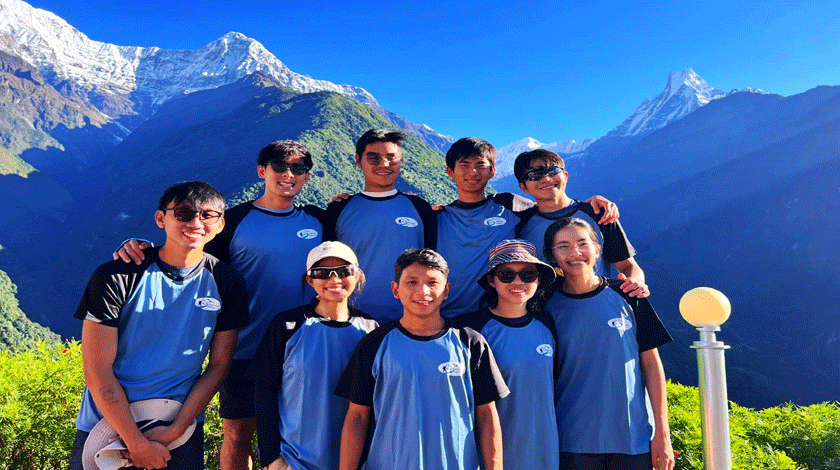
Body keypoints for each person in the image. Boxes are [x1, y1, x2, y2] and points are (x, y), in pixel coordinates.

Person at [113, 140, 326, 469]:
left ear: (307, 176)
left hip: (304, 347)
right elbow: (189, 252)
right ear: (262, 171)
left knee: (299, 435)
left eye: (298, 169)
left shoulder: (320, 221)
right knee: (238, 436)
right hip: (244, 349)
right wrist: (143, 249)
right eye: (280, 167)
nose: (289, 175)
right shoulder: (234, 220)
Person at [70, 181, 249, 470]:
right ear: (160, 218)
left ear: (219, 224)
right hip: (106, 425)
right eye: (183, 213)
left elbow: (218, 366)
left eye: (207, 216)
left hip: (179, 427)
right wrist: (135, 442)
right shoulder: (116, 275)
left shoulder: (227, 282)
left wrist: (176, 429)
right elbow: (97, 370)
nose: (195, 222)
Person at [336, 249, 508, 470]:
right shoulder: (374, 344)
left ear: (446, 290)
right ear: (395, 289)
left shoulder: (470, 342)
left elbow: (487, 414)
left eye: (432, 283)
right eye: (412, 282)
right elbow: (357, 416)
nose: (423, 291)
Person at [543, 217, 674, 470]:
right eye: (563, 247)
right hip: (571, 440)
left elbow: (651, 364)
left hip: (633, 438)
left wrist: (662, 434)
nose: (575, 253)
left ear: (597, 249)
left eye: (583, 243)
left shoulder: (629, 294)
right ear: (552, 256)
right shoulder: (545, 306)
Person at [436, 137, 620, 317]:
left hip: (500, 313)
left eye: (480, 165)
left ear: (492, 171)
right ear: (450, 171)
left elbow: (551, 208)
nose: (473, 172)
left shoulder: (510, 205)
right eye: (464, 165)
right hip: (445, 312)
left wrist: (592, 205)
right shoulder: (435, 216)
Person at [248, 241, 378, 470]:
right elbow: (264, 391)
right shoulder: (287, 326)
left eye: (343, 271)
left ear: (357, 275)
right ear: (310, 280)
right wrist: (271, 458)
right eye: (322, 273)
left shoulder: (370, 330)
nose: (334, 279)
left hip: (354, 464)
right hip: (294, 462)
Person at [457, 239, 560, 470]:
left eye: (527, 274)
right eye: (506, 274)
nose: (517, 282)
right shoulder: (472, 330)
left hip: (544, 447)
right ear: (492, 280)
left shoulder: (547, 324)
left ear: (538, 280)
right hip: (490, 453)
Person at [323, 129, 436, 323]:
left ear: (401, 161)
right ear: (358, 161)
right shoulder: (338, 210)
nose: (384, 164)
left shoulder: (421, 208)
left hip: (408, 319)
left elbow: (432, 265)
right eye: (373, 158)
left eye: (391, 158)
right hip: (351, 319)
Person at [513, 148, 648, 297]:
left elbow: (628, 266)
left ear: (565, 176)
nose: (546, 179)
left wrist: (636, 282)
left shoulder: (598, 213)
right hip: (547, 313)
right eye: (534, 175)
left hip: (600, 305)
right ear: (523, 187)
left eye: (552, 171)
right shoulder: (520, 225)